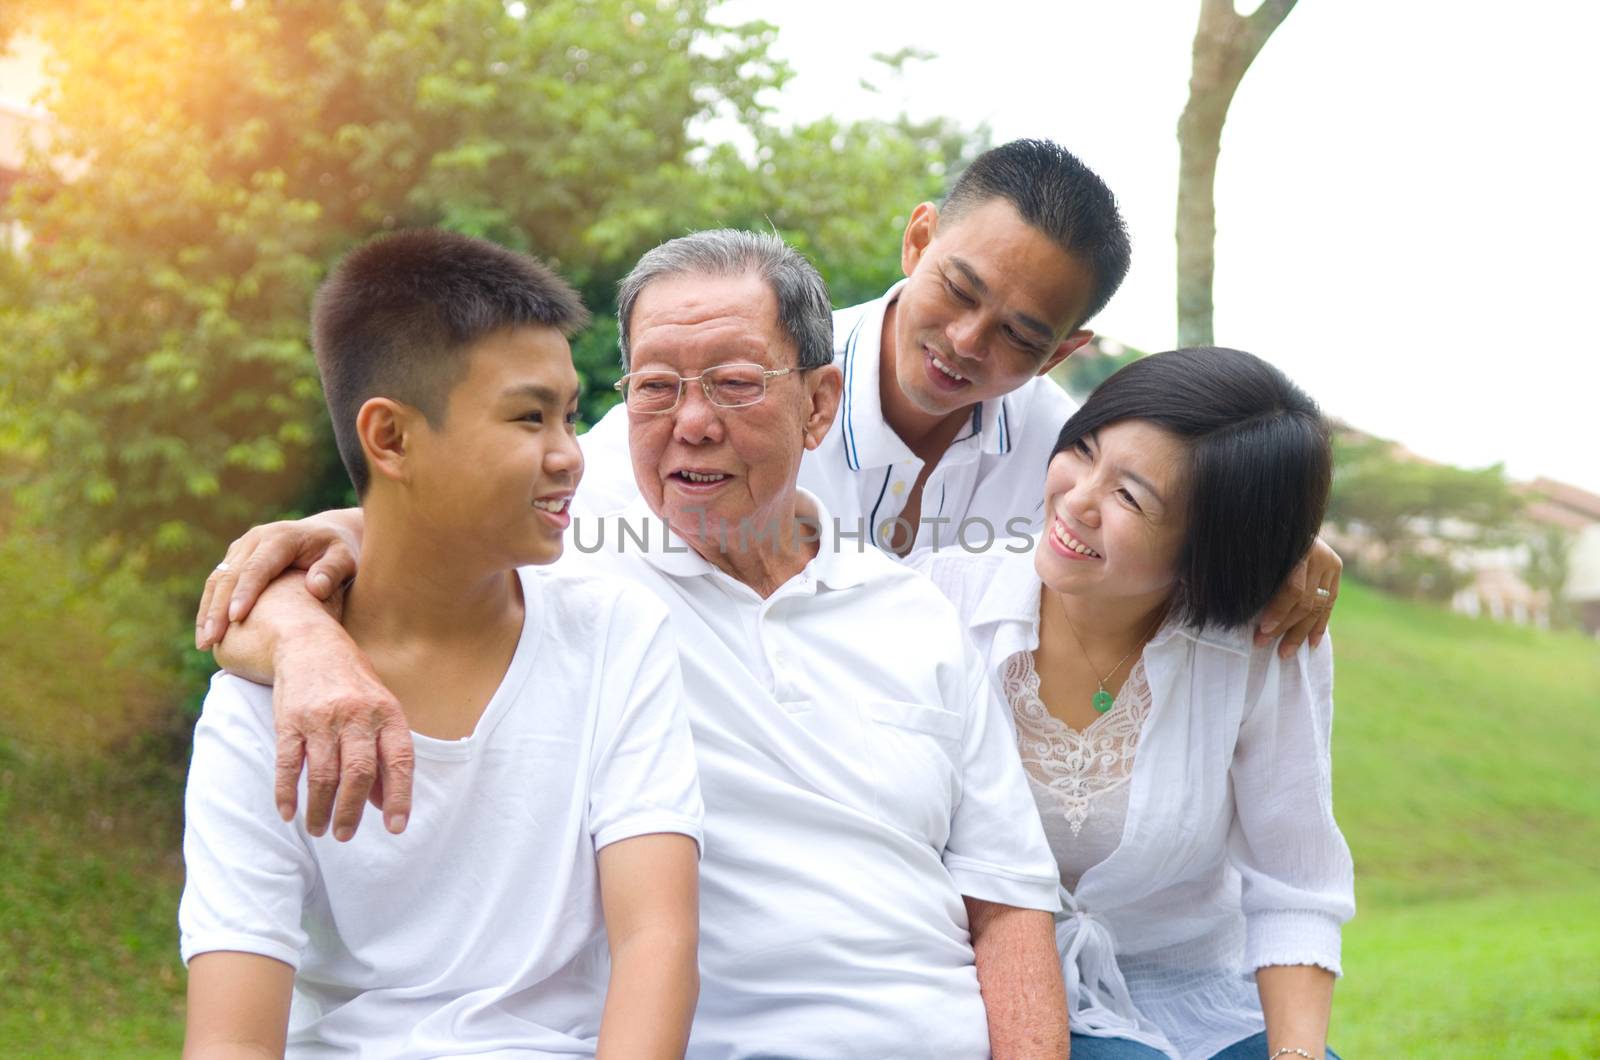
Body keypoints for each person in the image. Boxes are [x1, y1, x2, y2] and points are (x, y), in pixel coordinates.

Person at [205, 230, 1071, 1058]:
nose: (690, 423)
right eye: (654, 388)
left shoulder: (916, 616)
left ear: (818, 405)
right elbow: (411, 522)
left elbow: (1008, 901)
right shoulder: (580, 578)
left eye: (734, 384)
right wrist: (301, 636)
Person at [180, 230, 705, 1059]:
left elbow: (657, 944)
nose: (571, 456)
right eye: (529, 417)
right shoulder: (256, 704)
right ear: (389, 439)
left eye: (570, 416)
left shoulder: (614, 634)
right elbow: (232, 1039)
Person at [572, 139, 1342, 647]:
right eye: (958, 288)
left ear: (1062, 353)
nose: (967, 342)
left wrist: (1280, 541)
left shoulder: (1068, 456)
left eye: (1020, 335)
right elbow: (583, 492)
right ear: (918, 240)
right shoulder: (754, 377)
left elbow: (1170, 515)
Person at [913, 347, 1355, 1060]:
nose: (1077, 500)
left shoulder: (1265, 642)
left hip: (1195, 997)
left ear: (1209, 547)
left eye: (1129, 497)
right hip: (983, 990)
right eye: (1082, 452)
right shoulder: (940, 600)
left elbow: (1295, 883)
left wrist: (1296, 1055)